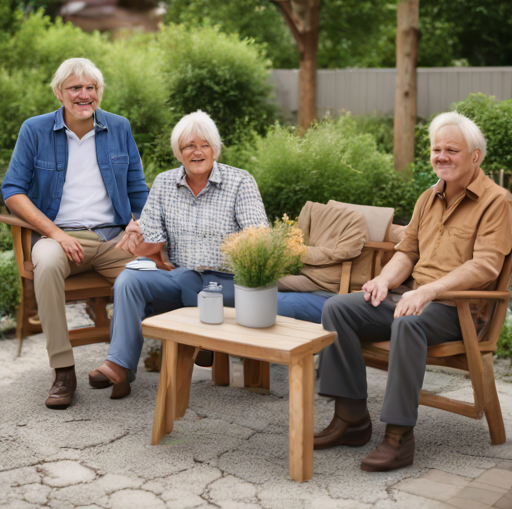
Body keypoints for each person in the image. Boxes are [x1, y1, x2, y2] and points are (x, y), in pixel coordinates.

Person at [314, 112, 512, 471]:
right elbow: (406, 252)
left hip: (458, 310)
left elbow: (486, 266)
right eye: (437, 149)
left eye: (452, 149)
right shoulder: (428, 198)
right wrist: (384, 281)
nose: (442, 156)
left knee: (409, 323)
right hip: (411, 296)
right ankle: (351, 419)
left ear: (475, 157)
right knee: (337, 308)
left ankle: (399, 437)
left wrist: (430, 291)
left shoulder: (497, 201)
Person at [1, 58, 149, 409]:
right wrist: (56, 234)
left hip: (113, 237)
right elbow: (12, 191)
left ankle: (121, 363)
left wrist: (138, 222)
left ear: (99, 92)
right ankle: (63, 371)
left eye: (90, 88)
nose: (84, 95)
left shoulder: (119, 127)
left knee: (154, 269)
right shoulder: (35, 130)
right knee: (47, 264)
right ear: (59, 93)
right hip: (59, 237)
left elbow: (138, 189)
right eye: (75, 88)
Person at [88, 110, 269, 398]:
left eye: (204, 145)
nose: (196, 152)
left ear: (215, 149)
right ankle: (119, 364)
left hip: (229, 282)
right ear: (178, 152)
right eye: (188, 146)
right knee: (130, 278)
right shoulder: (164, 183)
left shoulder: (239, 182)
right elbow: (150, 234)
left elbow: (259, 239)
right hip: (182, 277)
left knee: (197, 286)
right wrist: (137, 233)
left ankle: (203, 341)